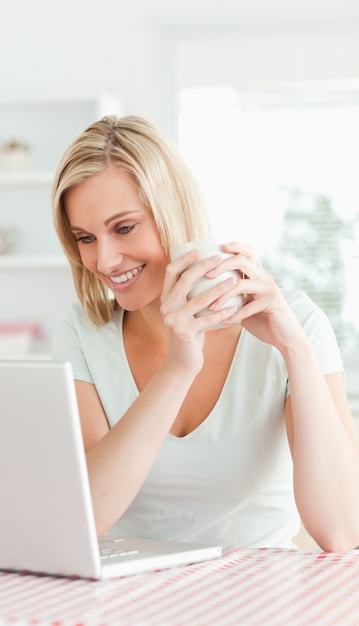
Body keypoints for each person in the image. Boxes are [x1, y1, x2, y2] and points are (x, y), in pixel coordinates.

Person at [51, 114, 359, 552]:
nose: (104, 260)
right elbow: (89, 516)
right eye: (85, 237)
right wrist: (178, 368)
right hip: (129, 597)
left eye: (123, 228)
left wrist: (296, 349)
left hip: (261, 597)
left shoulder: (296, 324)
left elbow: (341, 531)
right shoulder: (83, 330)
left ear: (172, 212)